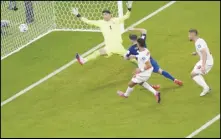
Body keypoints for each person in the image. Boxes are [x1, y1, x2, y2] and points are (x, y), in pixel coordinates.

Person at [117, 38, 161, 103]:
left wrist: (139, 70)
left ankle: (126, 95)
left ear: (139, 44)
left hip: (144, 72)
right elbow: (141, 56)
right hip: (147, 71)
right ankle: (156, 93)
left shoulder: (142, 55)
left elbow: (149, 65)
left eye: (137, 43)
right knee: (141, 82)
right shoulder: (146, 50)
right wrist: (134, 56)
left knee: (130, 84)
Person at [188, 29, 213, 96]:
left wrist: (203, 66)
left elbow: (204, 53)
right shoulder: (200, 41)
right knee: (195, 74)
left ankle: (206, 88)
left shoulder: (198, 42)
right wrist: (196, 53)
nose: (188, 36)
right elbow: (205, 50)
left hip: (206, 62)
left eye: (189, 35)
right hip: (205, 60)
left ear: (193, 34)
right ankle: (206, 87)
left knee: (193, 74)